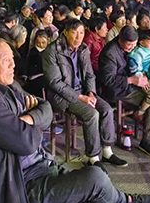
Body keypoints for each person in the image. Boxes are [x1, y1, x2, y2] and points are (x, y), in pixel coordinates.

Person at [0, 36, 150, 203]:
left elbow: (46, 108)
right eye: (7, 61)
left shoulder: (9, 86)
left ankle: (121, 202)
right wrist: (32, 124)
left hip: (38, 168)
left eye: (13, 59)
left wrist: (28, 119)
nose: (14, 65)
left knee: (99, 200)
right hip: (16, 188)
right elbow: (28, 142)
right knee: (96, 178)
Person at [43, 19, 128, 171]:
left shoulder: (83, 48)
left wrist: (91, 93)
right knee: (92, 114)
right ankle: (92, 157)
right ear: (65, 32)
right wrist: (81, 97)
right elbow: (55, 83)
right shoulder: (52, 51)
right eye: (74, 33)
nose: (78, 37)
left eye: (81, 33)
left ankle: (107, 152)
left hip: (83, 91)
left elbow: (90, 75)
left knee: (107, 109)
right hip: (62, 95)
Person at [98, 26, 150, 159]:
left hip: (133, 83)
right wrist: (132, 80)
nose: (132, 47)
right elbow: (108, 80)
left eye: (134, 44)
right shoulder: (110, 53)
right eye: (129, 45)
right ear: (120, 40)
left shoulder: (132, 47)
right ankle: (148, 140)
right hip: (119, 89)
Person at [24, 30, 50, 97]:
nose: (41, 45)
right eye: (38, 43)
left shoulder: (50, 52)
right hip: (33, 80)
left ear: (48, 40)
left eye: (43, 43)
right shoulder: (32, 52)